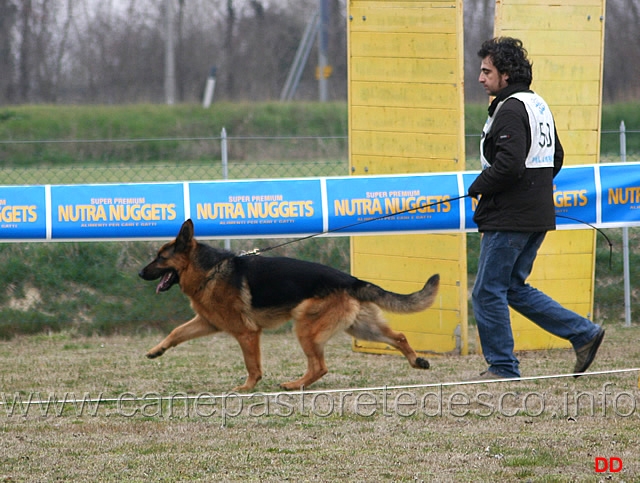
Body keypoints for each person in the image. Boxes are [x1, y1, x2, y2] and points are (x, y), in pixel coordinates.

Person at [468, 37, 605, 380]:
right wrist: (535, 191)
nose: (481, 78)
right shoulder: (536, 104)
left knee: (487, 292)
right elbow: (555, 157)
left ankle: (502, 366)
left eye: (487, 71)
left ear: (506, 73)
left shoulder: (512, 108)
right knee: (512, 287)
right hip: (534, 213)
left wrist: (478, 186)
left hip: (511, 217)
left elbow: (509, 166)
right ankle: (583, 333)